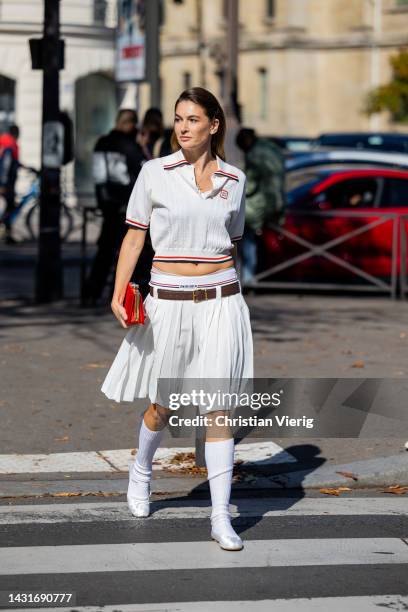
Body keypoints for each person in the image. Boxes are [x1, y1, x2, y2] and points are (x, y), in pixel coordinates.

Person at [101, 87, 253, 551]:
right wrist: (118, 291)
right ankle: (142, 471)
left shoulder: (234, 178)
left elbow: (234, 238)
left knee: (218, 406)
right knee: (163, 404)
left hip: (223, 301)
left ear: (214, 125)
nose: (183, 126)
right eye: (178, 119)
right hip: (168, 300)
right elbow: (133, 238)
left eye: (192, 119)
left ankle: (220, 516)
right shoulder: (154, 172)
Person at [83, 109, 149, 306]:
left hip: (107, 203)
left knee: (105, 251)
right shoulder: (129, 146)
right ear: (130, 125)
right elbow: (141, 173)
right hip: (126, 204)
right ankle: (120, 294)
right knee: (130, 250)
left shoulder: (102, 142)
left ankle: (91, 293)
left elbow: (98, 175)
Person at [236, 127, 287, 284]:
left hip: (260, 203)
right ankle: (256, 275)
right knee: (259, 238)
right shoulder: (270, 147)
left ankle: (248, 277)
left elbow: (250, 184)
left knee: (247, 236)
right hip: (278, 201)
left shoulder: (254, 155)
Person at [0, 125, 20, 244]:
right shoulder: (9, 146)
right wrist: (2, 184)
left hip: (8, 183)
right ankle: (6, 235)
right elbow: (5, 167)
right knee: (9, 208)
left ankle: (7, 234)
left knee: (9, 207)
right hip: (7, 184)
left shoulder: (10, 146)